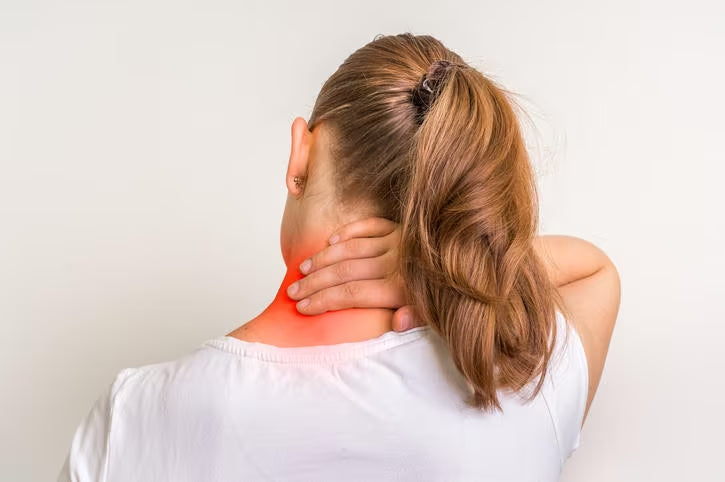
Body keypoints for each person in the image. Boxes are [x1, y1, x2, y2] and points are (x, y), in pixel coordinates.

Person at [58, 33, 620, 481]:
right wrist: (450, 266)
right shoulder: (524, 379)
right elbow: (597, 273)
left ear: (300, 154)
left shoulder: (134, 419)